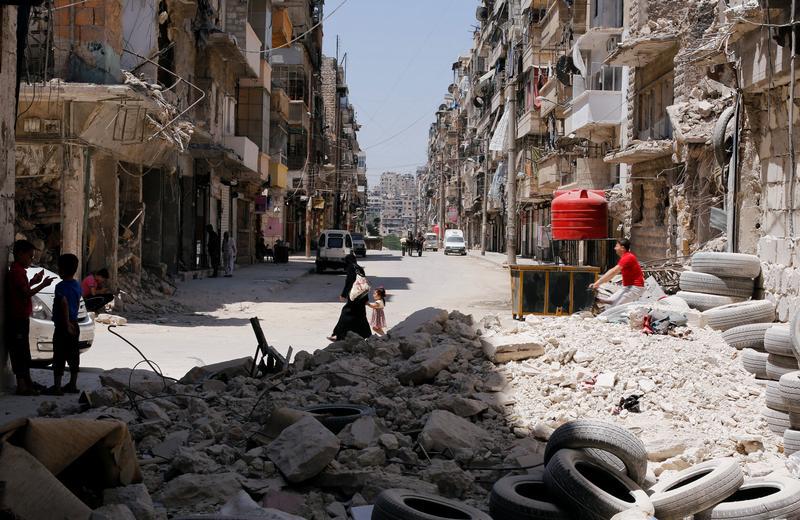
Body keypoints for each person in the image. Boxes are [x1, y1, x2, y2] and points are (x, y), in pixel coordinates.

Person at [6, 240, 55, 395]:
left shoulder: (18, 271)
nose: (31, 260)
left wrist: (35, 281)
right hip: (17, 318)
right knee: (20, 352)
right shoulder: (17, 272)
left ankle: (28, 383)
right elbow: (25, 293)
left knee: (23, 351)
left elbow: (23, 288)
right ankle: (22, 386)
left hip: (20, 318)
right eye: (30, 256)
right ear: (20, 254)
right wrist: (42, 285)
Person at [44, 254, 82, 396]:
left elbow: (64, 303)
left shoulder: (60, 286)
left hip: (63, 326)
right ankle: (72, 384)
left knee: (59, 355)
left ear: (62, 270)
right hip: (74, 324)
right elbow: (76, 303)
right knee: (73, 356)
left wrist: (66, 324)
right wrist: (73, 321)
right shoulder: (77, 285)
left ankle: (57, 387)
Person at [327, 254, 372, 341]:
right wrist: (366, 299)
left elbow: (349, 282)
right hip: (361, 296)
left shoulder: (351, 268)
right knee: (360, 315)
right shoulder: (359, 268)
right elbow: (364, 283)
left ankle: (338, 335)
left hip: (355, 297)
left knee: (346, 313)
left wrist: (343, 294)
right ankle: (367, 335)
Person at [591, 238, 645, 308]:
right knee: (610, 302)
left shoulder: (628, 257)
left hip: (634, 288)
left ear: (622, 248)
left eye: (616, 246)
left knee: (615, 308)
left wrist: (597, 283)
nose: (614, 248)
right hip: (627, 287)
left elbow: (613, 272)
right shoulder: (626, 257)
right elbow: (612, 274)